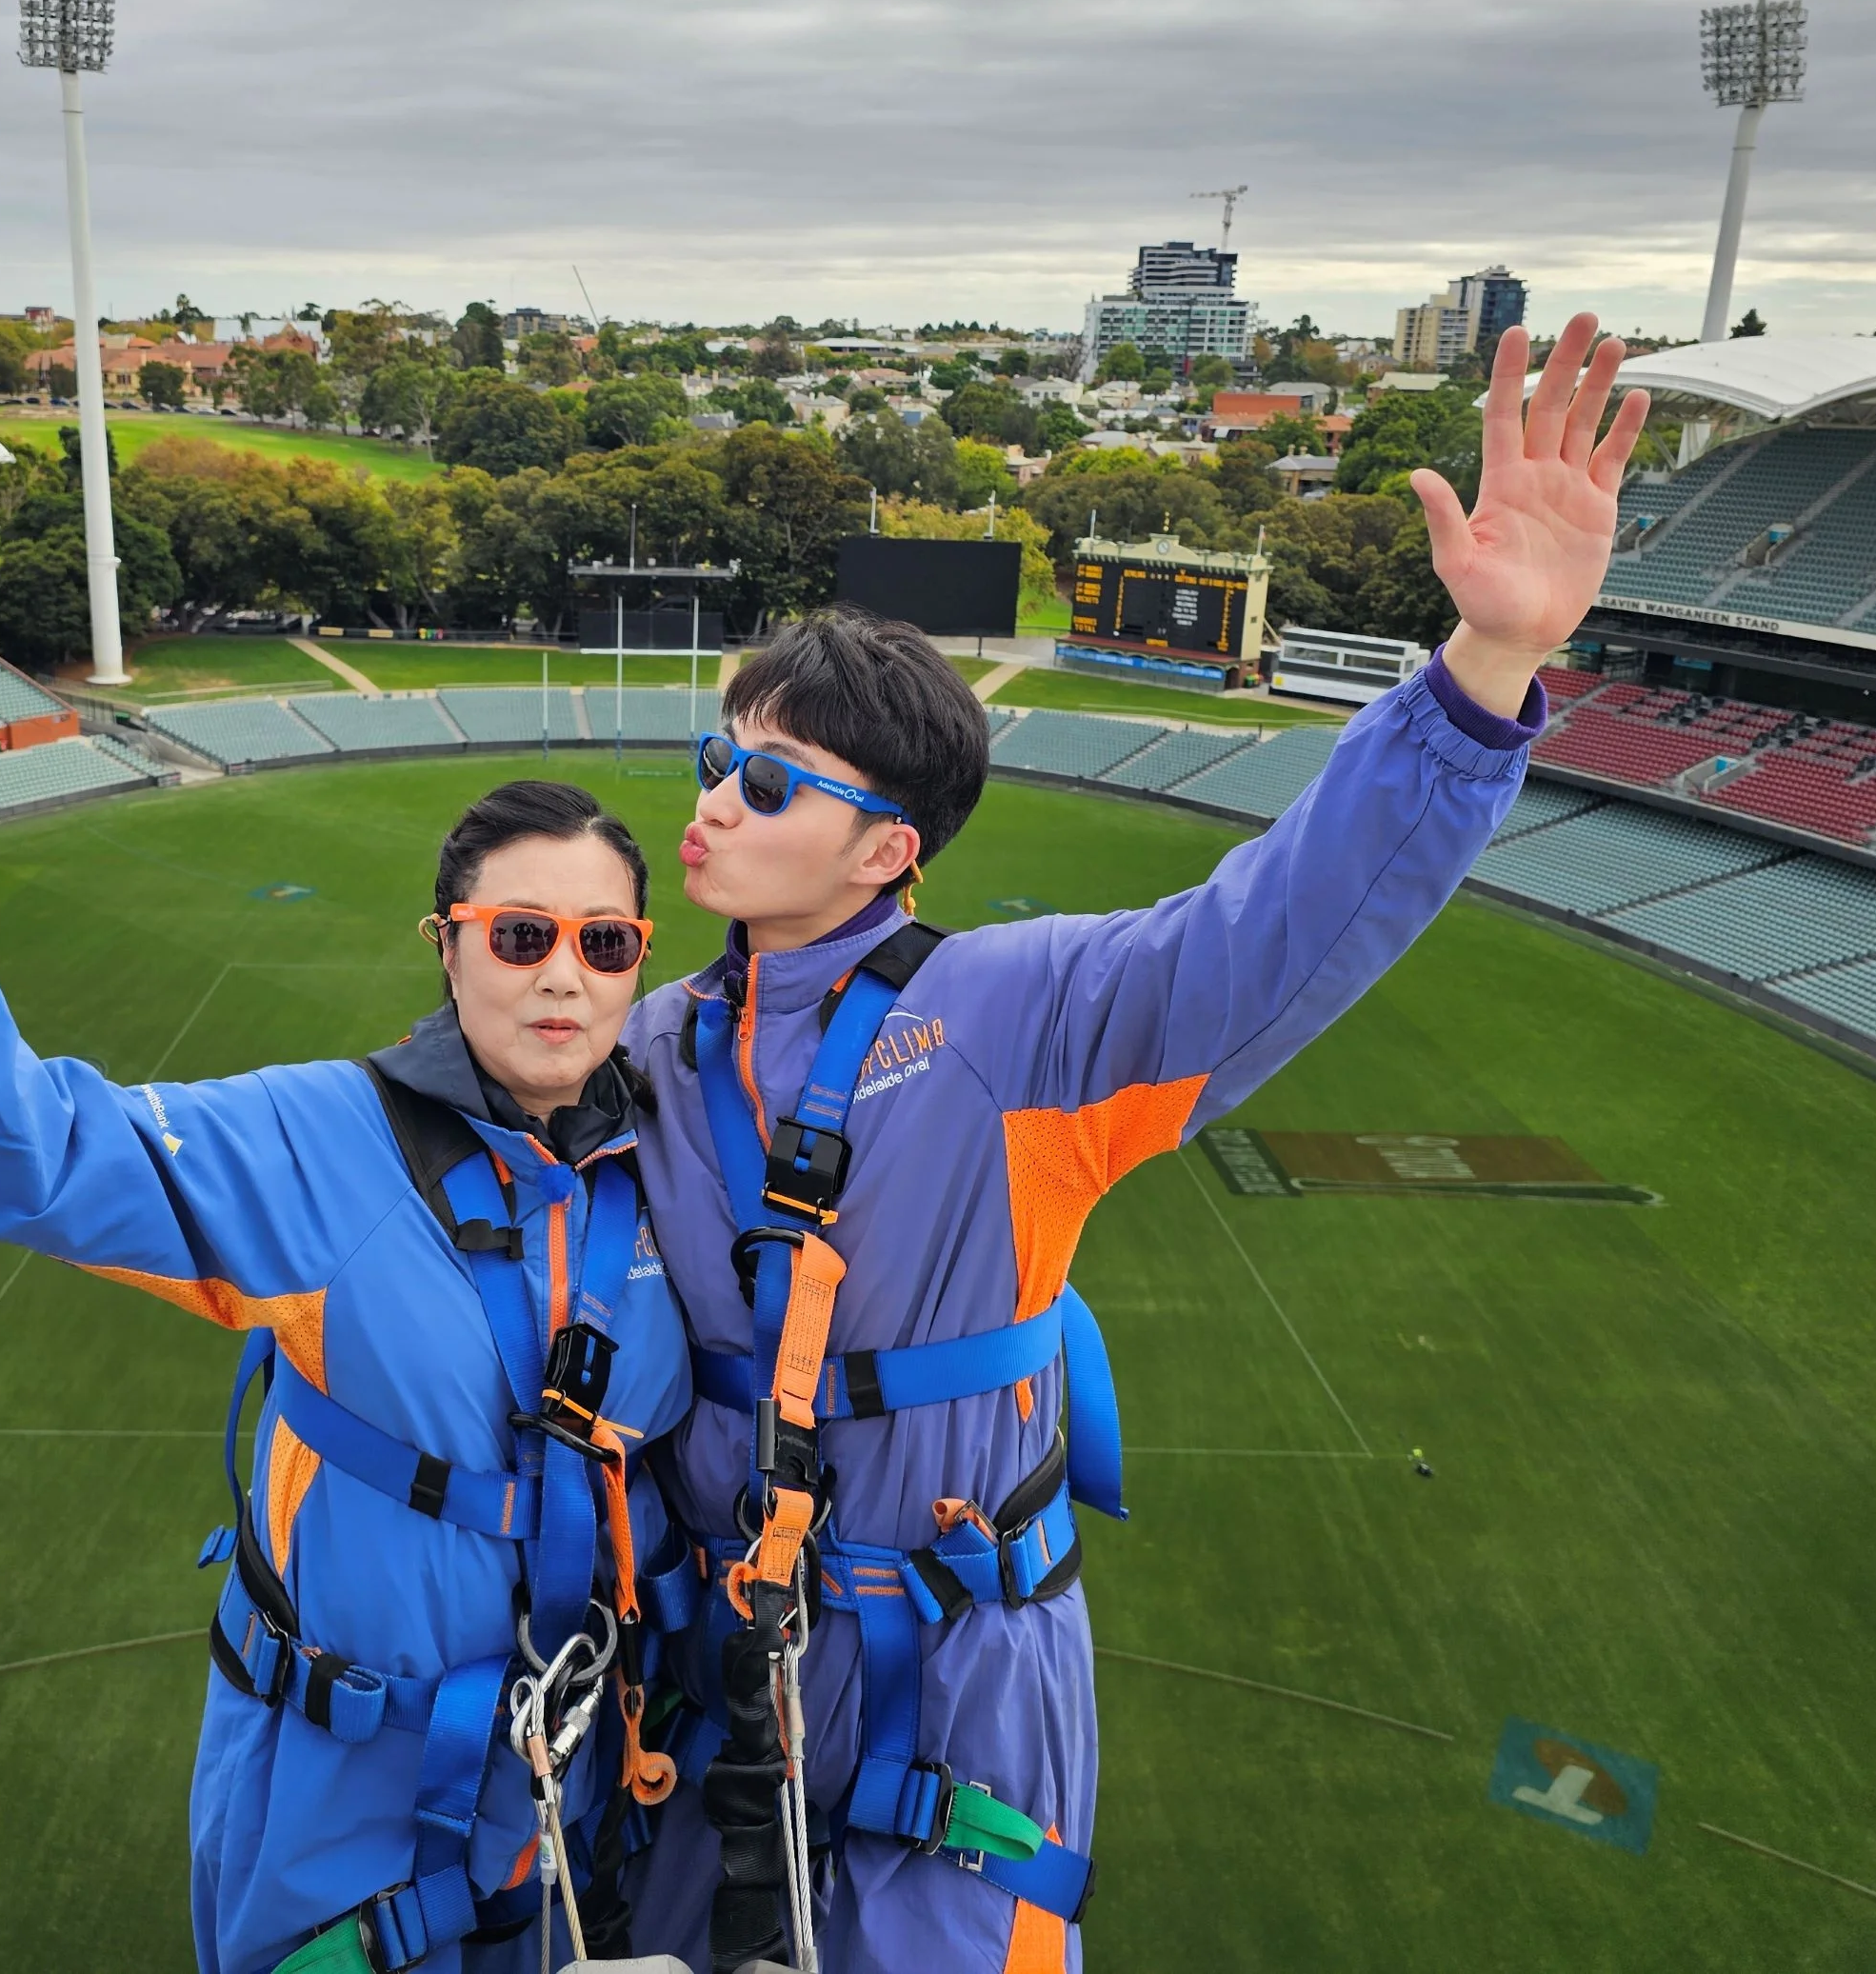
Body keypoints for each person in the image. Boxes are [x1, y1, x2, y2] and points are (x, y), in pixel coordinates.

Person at [624, 318, 1648, 1974]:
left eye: (768, 779)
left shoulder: (1014, 1017)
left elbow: (1267, 932)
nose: (717, 801)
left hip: (944, 1684)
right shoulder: (656, 1042)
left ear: (889, 847)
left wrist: (1480, 677)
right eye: (713, 763)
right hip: (713, 1665)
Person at [0, 771, 698, 1974]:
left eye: (605, 943)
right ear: (448, 950)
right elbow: (39, 1155)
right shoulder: (317, 1142)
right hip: (351, 1789)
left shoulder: (672, 1163)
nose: (563, 975)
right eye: (521, 936)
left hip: (596, 1767)